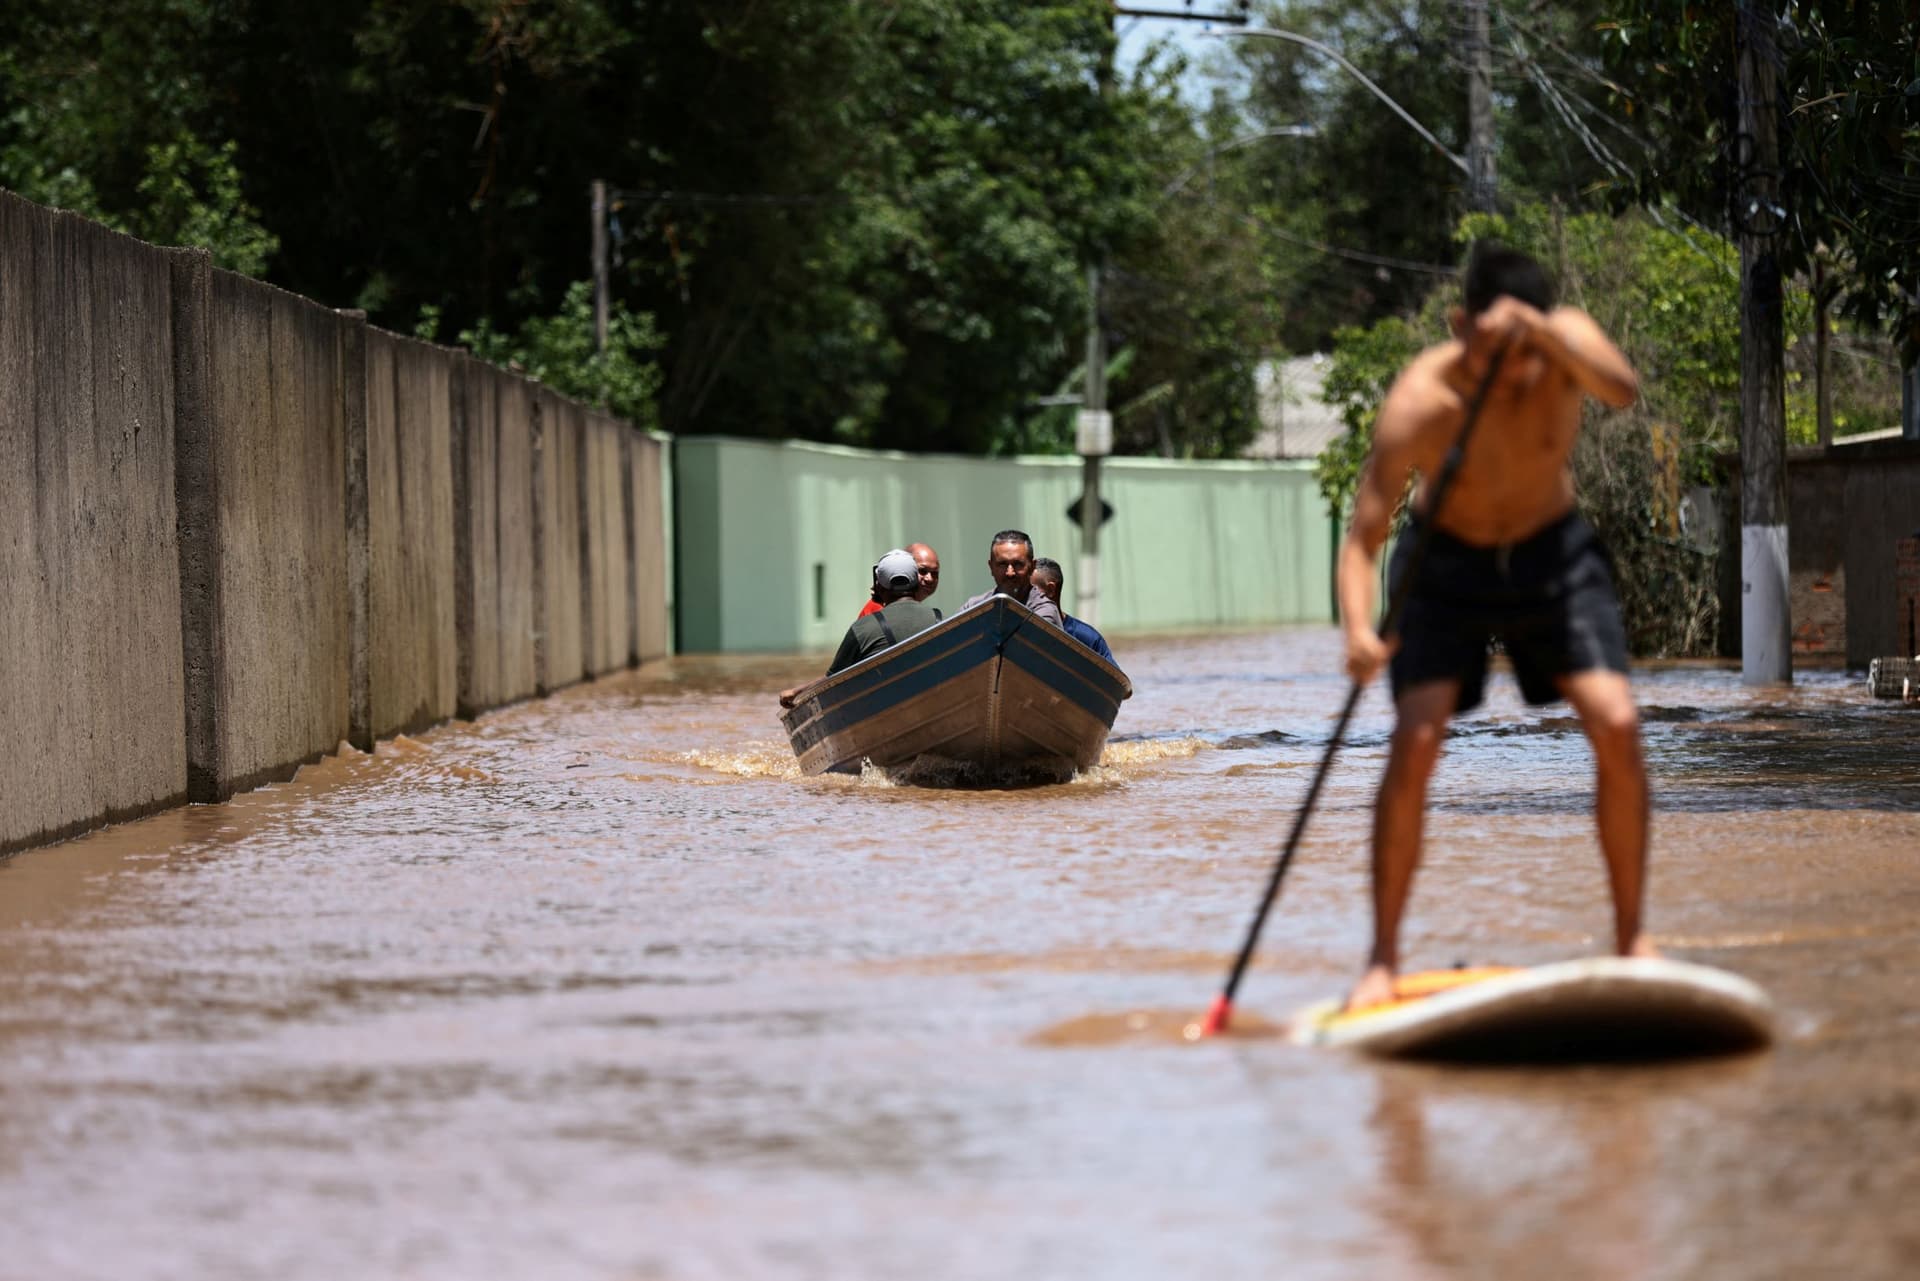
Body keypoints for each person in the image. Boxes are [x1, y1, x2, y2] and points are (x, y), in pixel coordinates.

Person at [1336, 241, 1652, 1013]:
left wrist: (1539, 337)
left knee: (1616, 721)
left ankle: (1633, 939)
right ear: (1458, 324)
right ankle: (1382, 958)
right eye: (1491, 347)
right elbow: (1364, 535)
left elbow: (1622, 389)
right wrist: (1356, 628)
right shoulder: (1423, 397)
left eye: (1524, 351)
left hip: (1552, 553)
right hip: (1444, 564)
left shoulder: (1564, 344)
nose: (1510, 372)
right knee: (1416, 737)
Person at [781, 550, 943, 707]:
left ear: (879, 586)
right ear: (916, 582)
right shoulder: (936, 618)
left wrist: (796, 692)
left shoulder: (862, 627)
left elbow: (833, 679)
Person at [961, 529, 1064, 626]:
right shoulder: (973, 607)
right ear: (991, 567)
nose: (1010, 573)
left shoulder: (1044, 612)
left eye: (1018, 564)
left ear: (1032, 567)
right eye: (1002, 564)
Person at [1031, 557, 1117, 665]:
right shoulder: (1015, 632)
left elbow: (1113, 679)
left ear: (1051, 589)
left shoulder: (1087, 638)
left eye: (1031, 589)